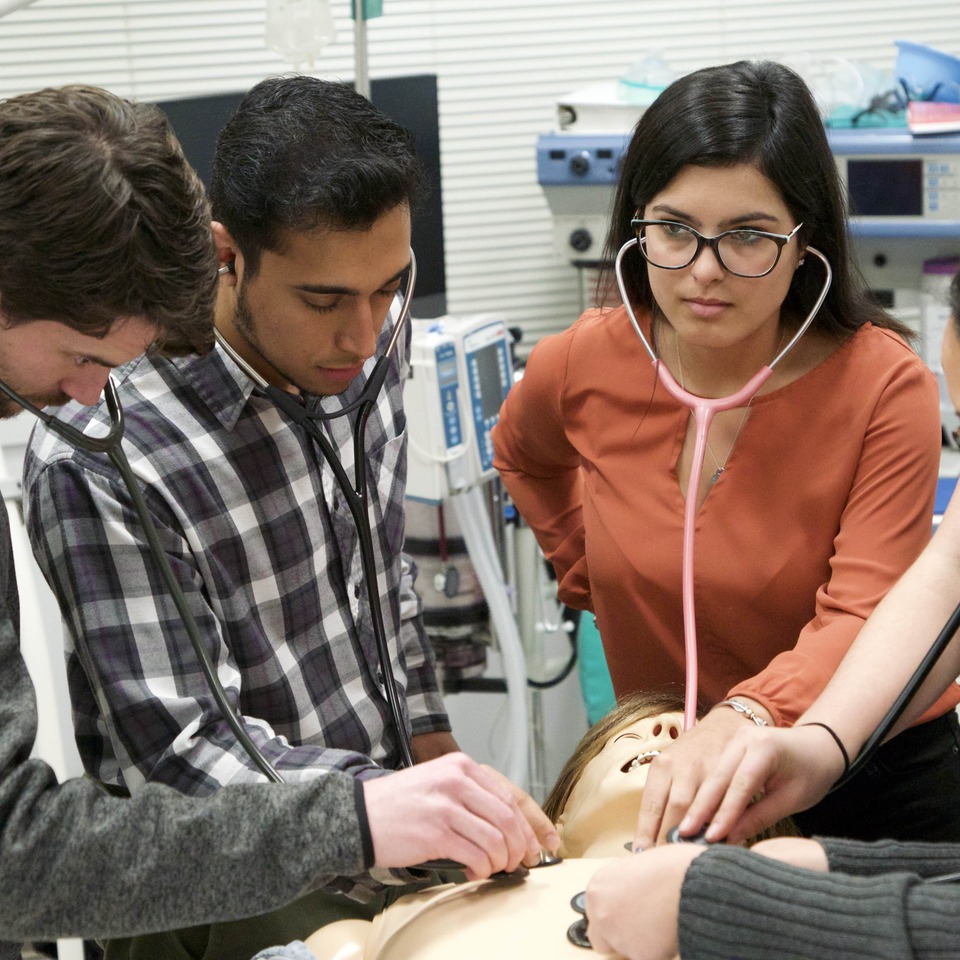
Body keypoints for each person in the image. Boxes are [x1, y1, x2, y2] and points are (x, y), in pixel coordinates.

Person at [0, 83, 556, 960]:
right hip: (231, 874)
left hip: (380, 835)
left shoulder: (362, 349)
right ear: (229, 258)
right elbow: (178, 762)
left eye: (388, 289)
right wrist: (377, 818)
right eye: (326, 300)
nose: (363, 337)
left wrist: (446, 778)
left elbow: (384, 592)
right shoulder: (104, 456)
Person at [492, 58, 960, 847]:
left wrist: (749, 714)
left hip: (868, 770)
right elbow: (523, 456)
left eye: (748, 236)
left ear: (804, 239)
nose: (704, 272)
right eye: (674, 230)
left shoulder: (886, 389)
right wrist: (589, 569)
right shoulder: (583, 361)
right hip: (675, 775)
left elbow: (862, 613)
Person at [581, 268, 960, 960]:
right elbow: (947, 578)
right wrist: (818, 749)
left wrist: (735, 905)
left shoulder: (879, 380)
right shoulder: (588, 361)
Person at [252, 693, 794, 960]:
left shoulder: (775, 919)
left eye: (699, 744)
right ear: (558, 816)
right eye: (626, 736)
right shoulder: (404, 914)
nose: (669, 728)